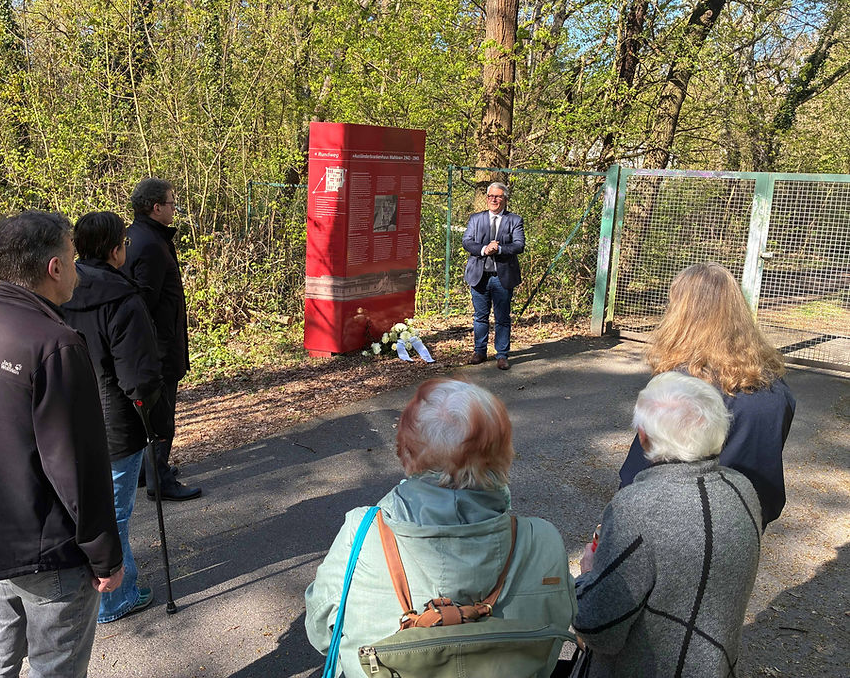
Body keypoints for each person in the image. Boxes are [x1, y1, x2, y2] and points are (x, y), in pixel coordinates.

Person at [0, 211, 123, 678]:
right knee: (56, 665)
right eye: (73, 259)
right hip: (50, 550)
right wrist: (107, 556)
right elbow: (78, 466)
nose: (77, 269)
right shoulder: (57, 344)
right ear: (54, 268)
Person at [305, 378, 576, 678]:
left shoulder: (360, 533)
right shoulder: (543, 541)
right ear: (503, 455)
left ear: (406, 454)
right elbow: (558, 625)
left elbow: (321, 631)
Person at [571, 372, 762, 677]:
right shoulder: (743, 489)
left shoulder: (636, 508)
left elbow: (598, 628)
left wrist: (589, 574)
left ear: (643, 436)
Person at [618, 262, 795, 527]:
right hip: (745, 525)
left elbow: (636, 476)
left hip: (681, 528)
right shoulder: (776, 388)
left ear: (681, 316)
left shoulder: (683, 389)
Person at [62, 211, 164, 622]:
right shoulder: (124, 298)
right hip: (115, 424)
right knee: (114, 514)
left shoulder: (58, 291)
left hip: (66, 422)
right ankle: (113, 600)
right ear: (115, 250)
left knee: (80, 510)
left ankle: (92, 592)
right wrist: (151, 410)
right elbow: (139, 378)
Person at [125, 177, 202, 501]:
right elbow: (145, 303)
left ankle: (147, 472)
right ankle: (159, 480)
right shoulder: (151, 245)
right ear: (156, 207)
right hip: (159, 349)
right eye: (172, 203)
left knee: (153, 412)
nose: (175, 208)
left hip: (156, 344)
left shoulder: (138, 237)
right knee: (162, 415)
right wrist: (160, 348)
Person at [462, 182, 526, 370]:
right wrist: (483, 249)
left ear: (505, 199)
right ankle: (479, 351)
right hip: (479, 276)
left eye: (498, 196)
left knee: (502, 318)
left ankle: (502, 355)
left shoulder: (514, 220)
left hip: (502, 277)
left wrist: (498, 249)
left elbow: (519, 245)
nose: (493, 200)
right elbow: (466, 242)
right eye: (490, 196)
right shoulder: (476, 219)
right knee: (480, 317)